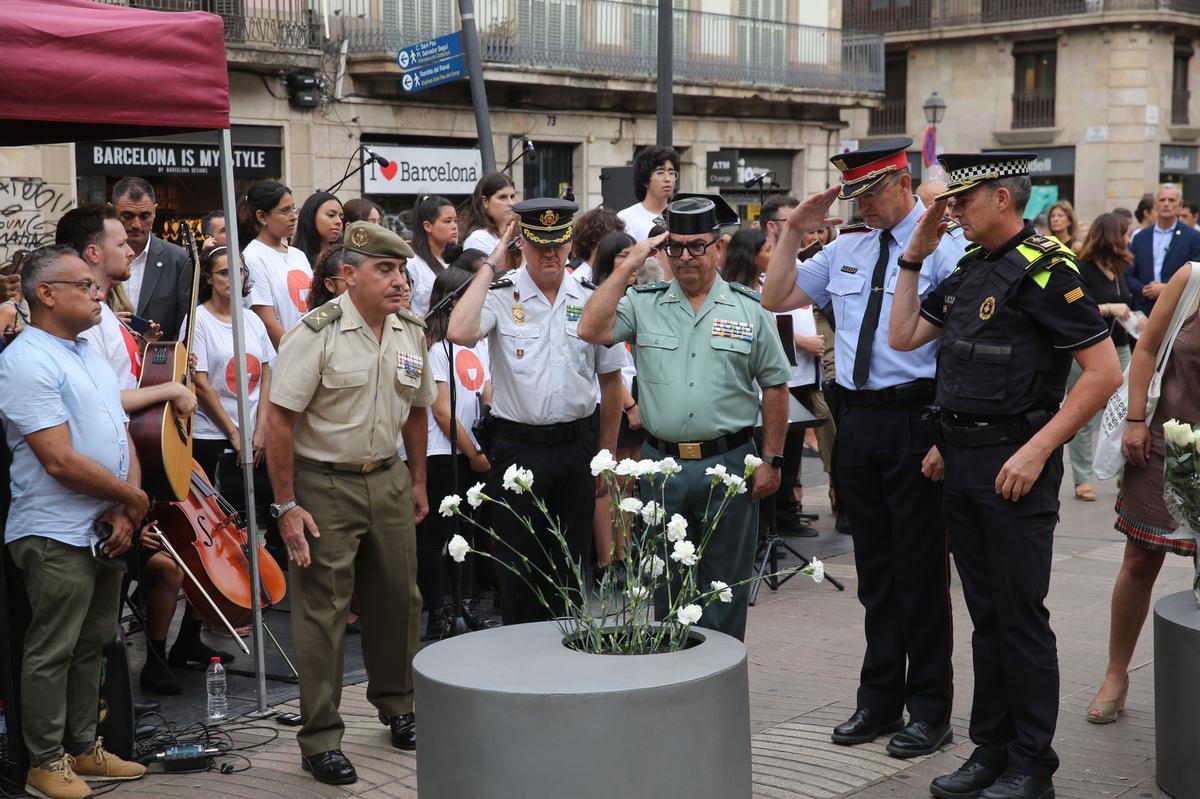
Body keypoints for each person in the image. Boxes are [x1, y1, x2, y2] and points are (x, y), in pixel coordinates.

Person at [890, 151, 1122, 799]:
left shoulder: (1050, 271)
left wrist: (1038, 449)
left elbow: (1105, 375)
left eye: (961, 201)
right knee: (986, 617)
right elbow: (903, 334)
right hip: (962, 463)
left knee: (1020, 618)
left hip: (1017, 464)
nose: (951, 212)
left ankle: (1032, 764)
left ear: (1001, 197)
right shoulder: (970, 268)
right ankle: (990, 750)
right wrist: (914, 251)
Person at [761, 140, 965, 758]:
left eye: (872, 193)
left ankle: (930, 709)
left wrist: (945, 437)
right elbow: (775, 297)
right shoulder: (845, 248)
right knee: (875, 570)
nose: (864, 206)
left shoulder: (943, 247)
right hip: (859, 422)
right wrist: (796, 229)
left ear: (902, 184)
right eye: (854, 196)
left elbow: (957, 346)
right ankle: (878, 699)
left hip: (917, 416)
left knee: (921, 573)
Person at [264, 221, 435, 784]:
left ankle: (398, 706)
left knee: (399, 600)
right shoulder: (317, 333)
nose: (398, 281)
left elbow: (416, 409)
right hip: (323, 483)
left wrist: (416, 481)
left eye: (402, 271)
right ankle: (320, 738)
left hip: (387, 476)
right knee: (323, 610)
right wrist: (286, 506)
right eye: (385, 270)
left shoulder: (410, 330)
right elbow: (280, 421)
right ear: (348, 275)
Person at [579, 194, 790, 640]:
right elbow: (590, 328)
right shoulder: (643, 302)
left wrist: (773, 459)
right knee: (666, 587)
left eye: (698, 245)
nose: (686, 256)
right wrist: (630, 262)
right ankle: (674, 681)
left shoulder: (747, 308)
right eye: (675, 246)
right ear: (663, 250)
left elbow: (775, 386)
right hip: (662, 466)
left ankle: (719, 686)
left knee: (724, 587)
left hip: (729, 464)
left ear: (719, 247)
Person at [0, 245, 150, 799]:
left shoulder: (86, 350)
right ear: (46, 294)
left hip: (104, 524)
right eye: (84, 285)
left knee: (94, 644)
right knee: (52, 648)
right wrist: (132, 498)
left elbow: (119, 432)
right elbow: (59, 460)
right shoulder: (25, 360)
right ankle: (44, 760)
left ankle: (84, 748)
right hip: (52, 530)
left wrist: (124, 503)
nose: (98, 292)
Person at [55, 206, 219, 696]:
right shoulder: (88, 321)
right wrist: (169, 393)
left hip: (131, 473)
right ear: (92, 253)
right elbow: (106, 398)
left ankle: (154, 663)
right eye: (121, 242)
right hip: (103, 487)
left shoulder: (105, 315)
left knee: (162, 568)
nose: (132, 249)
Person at [448, 200, 624, 624]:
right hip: (517, 451)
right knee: (519, 570)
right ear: (521, 243)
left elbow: (611, 383)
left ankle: (566, 661)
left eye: (559, 244)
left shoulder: (591, 298)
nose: (550, 254)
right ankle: (522, 669)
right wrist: (492, 262)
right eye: (540, 244)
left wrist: (606, 458)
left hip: (576, 447)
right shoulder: (500, 294)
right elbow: (459, 330)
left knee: (571, 567)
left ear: (569, 245)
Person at [1088, 261, 1199, 725]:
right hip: (1169, 440)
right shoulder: (1192, 278)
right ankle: (1116, 674)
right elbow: (1148, 345)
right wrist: (1135, 419)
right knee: (1140, 559)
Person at [417, 267, 494, 638]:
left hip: (473, 449)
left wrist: (484, 446)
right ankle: (438, 610)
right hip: (441, 451)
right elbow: (442, 411)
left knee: (467, 532)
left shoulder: (477, 342)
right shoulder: (436, 347)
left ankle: (463, 603)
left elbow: (487, 388)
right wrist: (474, 452)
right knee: (437, 535)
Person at [1068, 213, 1137, 501]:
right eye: (1124, 232)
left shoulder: (1119, 268)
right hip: (1088, 350)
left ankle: (1124, 476)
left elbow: (1126, 305)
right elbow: (1073, 309)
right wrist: (1109, 307)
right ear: (1111, 236)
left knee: (1123, 411)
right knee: (1082, 414)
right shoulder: (1081, 268)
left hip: (1120, 347)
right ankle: (1082, 478)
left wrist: (1135, 317)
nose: (1128, 238)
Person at [587, 231, 643, 583]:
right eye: (623, 255)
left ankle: (625, 553)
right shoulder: (600, 299)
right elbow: (610, 368)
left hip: (634, 396)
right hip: (610, 402)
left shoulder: (637, 297)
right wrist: (631, 405)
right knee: (606, 485)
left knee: (627, 484)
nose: (630, 262)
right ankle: (607, 561)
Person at [110, 177, 193, 340]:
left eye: (144, 216)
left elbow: (184, 326)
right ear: (111, 211)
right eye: (127, 215)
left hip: (157, 362)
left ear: (155, 212)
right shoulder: (96, 256)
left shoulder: (178, 260)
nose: (136, 224)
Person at [241, 181, 313, 348]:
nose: (294, 216)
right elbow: (268, 322)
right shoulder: (253, 258)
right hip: (282, 360)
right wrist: (297, 355)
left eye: (293, 208)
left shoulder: (298, 255)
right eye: (285, 211)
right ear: (262, 217)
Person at [1127, 184, 1200, 315]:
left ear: (1180, 205)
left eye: (1171, 200)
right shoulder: (1140, 237)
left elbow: (1196, 274)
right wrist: (1144, 289)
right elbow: (1128, 272)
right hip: (1143, 311)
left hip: (1178, 310)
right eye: (1162, 200)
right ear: (1155, 205)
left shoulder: (1193, 237)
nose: (1166, 204)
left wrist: (1167, 289)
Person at [407, 194, 458, 315]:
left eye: (455, 221)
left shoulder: (458, 259)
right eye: (447, 221)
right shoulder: (412, 263)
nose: (454, 226)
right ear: (428, 226)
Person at [618, 146, 678, 241]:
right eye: (660, 172)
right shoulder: (626, 218)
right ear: (645, 180)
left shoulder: (680, 215)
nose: (667, 179)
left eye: (671, 173)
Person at [459, 171, 517, 254]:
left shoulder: (517, 233)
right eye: (502, 197)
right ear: (485, 201)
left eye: (512, 197)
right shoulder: (478, 238)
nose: (511, 203)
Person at [570, 207, 625, 281]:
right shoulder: (577, 280)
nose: (616, 243)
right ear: (592, 239)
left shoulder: (617, 277)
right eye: (611, 237)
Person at [291, 191, 344, 267]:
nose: (339, 221)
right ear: (311, 216)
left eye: (341, 218)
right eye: (331, 215)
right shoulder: (293, 257)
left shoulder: (344, 258)